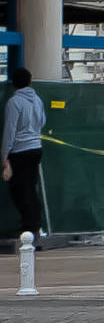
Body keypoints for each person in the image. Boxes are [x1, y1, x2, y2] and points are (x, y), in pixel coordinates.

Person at [3, 66, 45, 247]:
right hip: (36, 148)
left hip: (19, 150)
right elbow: (42, 121)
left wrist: (4, 155)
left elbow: (10, 130)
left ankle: (28, 228)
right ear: (30, 81)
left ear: (13, 83)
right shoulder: (37, 99)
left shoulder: (14, 102)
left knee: (19, 191)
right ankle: (35, 227)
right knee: (30, 189)